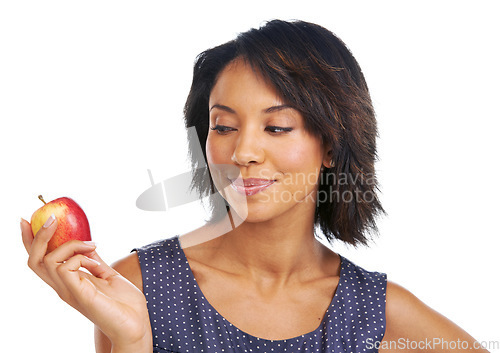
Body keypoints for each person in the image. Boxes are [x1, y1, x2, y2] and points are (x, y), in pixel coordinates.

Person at [21, 20, 489, 353]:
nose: (243, 151)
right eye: (223, 127)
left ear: (331, 145)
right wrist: (132, 341)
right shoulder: (137, 288)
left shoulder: (378, 314)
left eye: (277, 127)